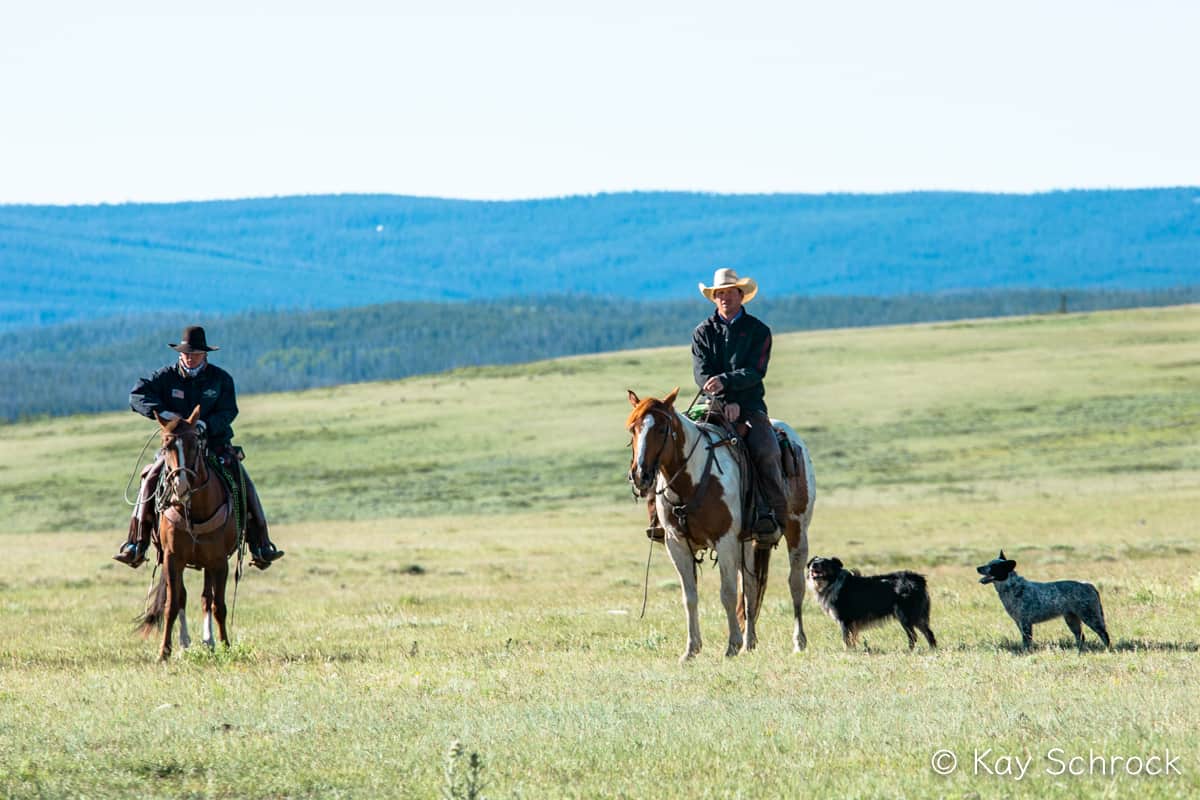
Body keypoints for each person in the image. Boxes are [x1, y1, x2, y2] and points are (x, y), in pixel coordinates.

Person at [113, 326, 284, 569]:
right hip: (176, 449)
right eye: (186, 353)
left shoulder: (220, 379)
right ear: (180, 353)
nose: (190, 358)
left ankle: (261, 544)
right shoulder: (165, 377)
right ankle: (136, 543)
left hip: (214, 445)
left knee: (243, 481)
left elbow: (229, 411)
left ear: (205, 354)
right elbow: (137, 396)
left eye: (195, 354)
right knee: (150, 479)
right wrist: (164, 414)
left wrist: (205, 425)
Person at [691, 268, 789, 542]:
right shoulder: (702, 332)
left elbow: (755, 371)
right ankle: (666, 515)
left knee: (766, 450)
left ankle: (771, 513)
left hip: (750, 405)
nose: (724, 297)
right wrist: (723, 401)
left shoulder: (759, 331)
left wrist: (731, 392)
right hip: (712, 405)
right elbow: (701, 373)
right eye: (719, 293)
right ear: (714, 298)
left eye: (729, 292)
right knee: (674, 442)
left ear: (741, 295)